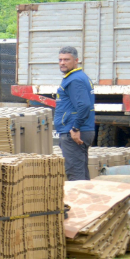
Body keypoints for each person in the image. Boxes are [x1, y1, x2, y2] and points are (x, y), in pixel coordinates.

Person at [55, 45, 96, 181]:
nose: (62, 63)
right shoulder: (78, 77)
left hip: (74, 133)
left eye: (66, 59)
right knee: (81, 173)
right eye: (60, 59)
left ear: (76, 60)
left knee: (75, 176)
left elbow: (84, 105)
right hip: (80, 131)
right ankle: (88, 201)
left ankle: (79, 202)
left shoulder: (75, 79)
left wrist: (75, 128)